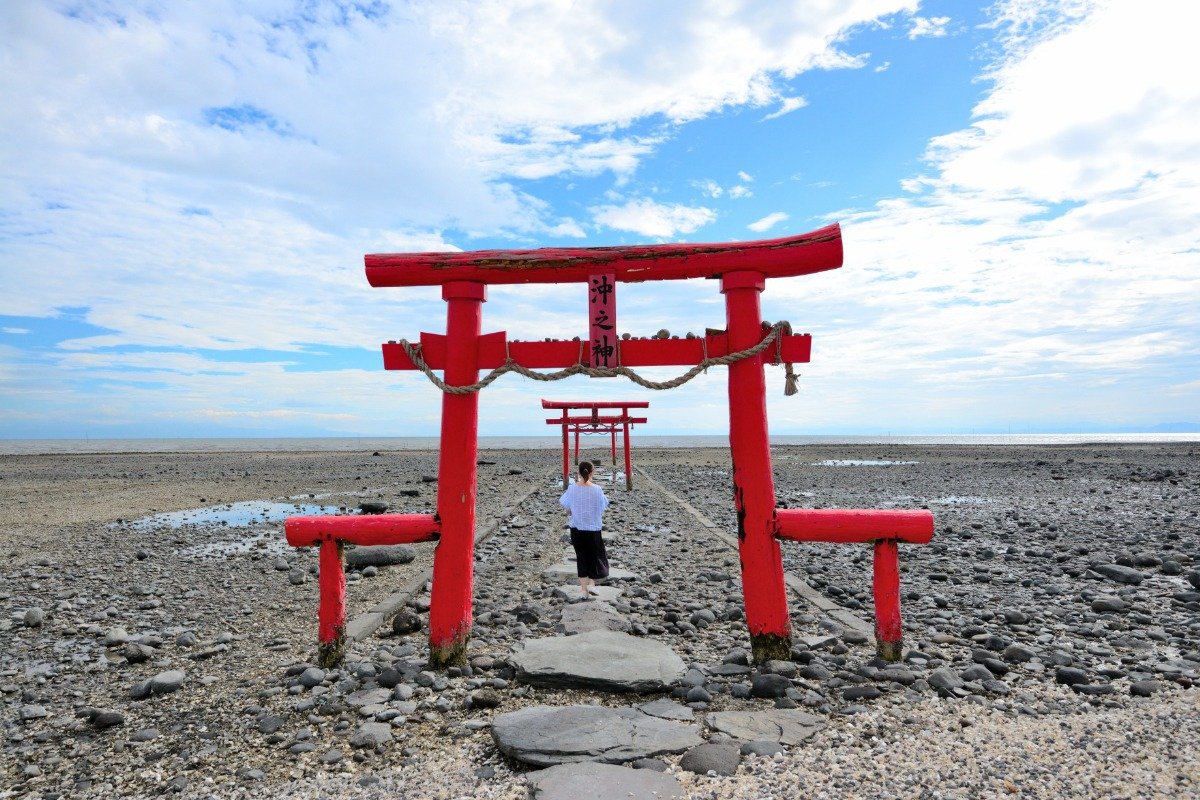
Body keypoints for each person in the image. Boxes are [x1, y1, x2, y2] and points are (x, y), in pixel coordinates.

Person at [559, 460, 610, 600]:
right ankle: (592, 585)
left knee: (581, 556)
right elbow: (602, 507)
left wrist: (572, 511)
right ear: (592, 472)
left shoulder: (572, 488)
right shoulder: (597, 489)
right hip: (593, 527)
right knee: (594, 555)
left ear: (578, 473)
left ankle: (583, 589)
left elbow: (567, 508)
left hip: (577, 527)